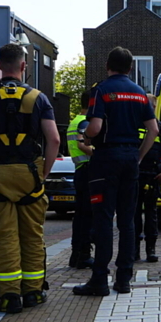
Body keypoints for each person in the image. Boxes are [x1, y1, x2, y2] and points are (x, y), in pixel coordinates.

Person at [0, 43, 59, 314]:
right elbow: (53, 138)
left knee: (4, 237)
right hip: (30, 172)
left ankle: (9, 296)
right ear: (23, 66)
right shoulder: (38, 98)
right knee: (32, 234)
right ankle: (33, 292)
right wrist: (44, 172)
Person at [73, 47, 159, 296]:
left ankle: (99, 279)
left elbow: (96, 127)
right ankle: (124, 279)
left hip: (105, 159)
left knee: (102, 219)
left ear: (108, 65)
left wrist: (85, 134)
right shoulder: (140, 93)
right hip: (130, 159)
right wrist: (139, 156)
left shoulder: (100, 90)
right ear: (131, 67)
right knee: (128, 220)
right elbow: (153, 130)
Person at [135, 94, 161, 263]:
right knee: (134, 214)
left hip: (153, 174)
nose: (152, 109)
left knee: (151, 214)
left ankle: (151, 249)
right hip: (135, 174)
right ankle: (134, 250)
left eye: (153, 106)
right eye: (150, 106)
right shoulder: (134, 125)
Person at [67, 89, 95, 268]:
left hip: (80, 170)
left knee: (80, 216)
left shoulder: (74, 121)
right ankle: (83, 254)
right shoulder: (84, 122)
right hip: (87, 171)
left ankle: (77, 253)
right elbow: (81, 144)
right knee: (87, 215)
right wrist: (102, 154)